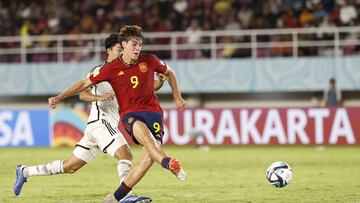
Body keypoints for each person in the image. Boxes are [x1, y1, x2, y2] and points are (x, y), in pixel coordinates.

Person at [14, 33, 166, 203]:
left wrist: (160, 82)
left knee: (70, 166)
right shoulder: (101, 71)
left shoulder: (125, 70)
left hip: (98, 126)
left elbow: (150, 87)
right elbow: (83, 93)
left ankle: (24, 171)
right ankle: (126, 196)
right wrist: (66, 97)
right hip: (101, 122)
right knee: (126, 154)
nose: (123, 51)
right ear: (108, 51)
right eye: (118, 49)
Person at [46, 25, 187, 203]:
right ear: (124, 44)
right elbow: (83, 84)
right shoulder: (110, 69)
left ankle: (115, 198)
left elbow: (169, 73)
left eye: (140, 45)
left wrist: (178, 97)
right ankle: (169, 163)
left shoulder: (149, 60)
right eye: (134, 44)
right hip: (131, 115)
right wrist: (59, 97)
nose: (138, 48)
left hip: (154, 113)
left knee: (148, 159)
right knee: (148, 142)